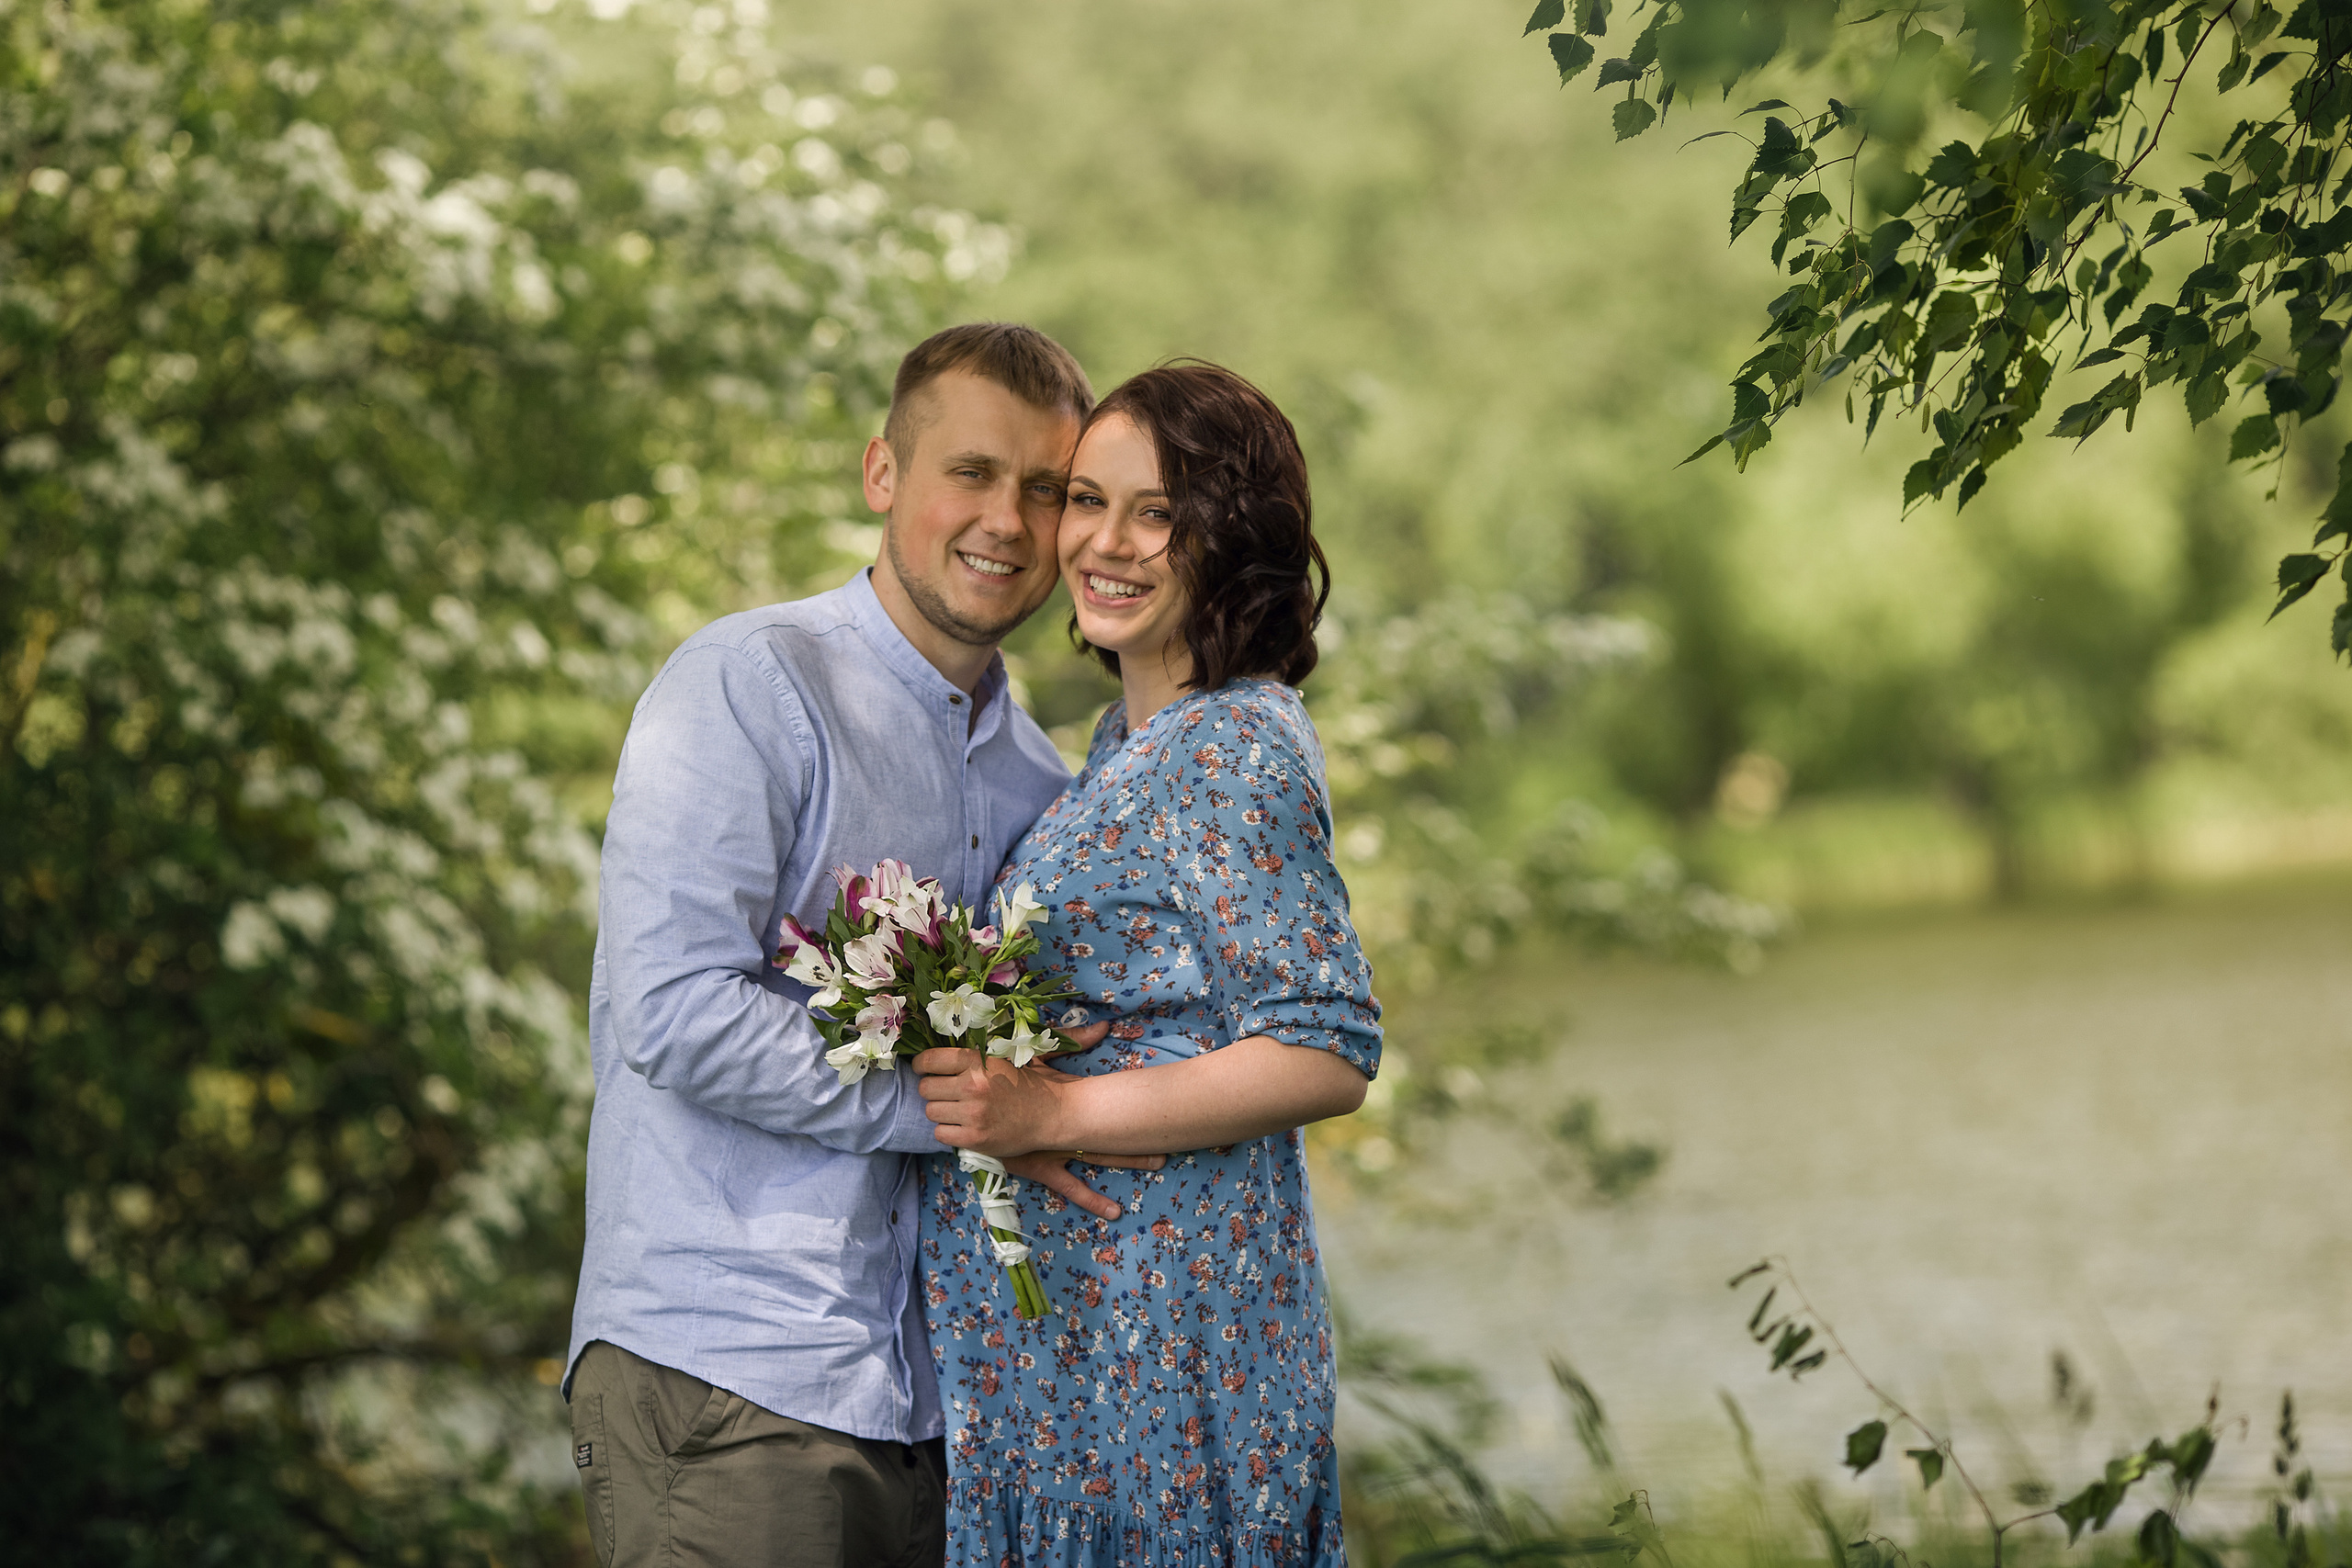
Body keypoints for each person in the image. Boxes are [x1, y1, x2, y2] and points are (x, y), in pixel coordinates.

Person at [564, 322, 1159, 1568]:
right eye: (971, 472)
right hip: (731, 1375)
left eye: (1045, 490)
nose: (1006, 518)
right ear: (883, 474)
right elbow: (668, 1011)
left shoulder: (1038, 783)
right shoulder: (748, 687)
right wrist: (950, 1109)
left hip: (938, 1411)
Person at [914, 363, 1383, 1568]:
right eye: (1086, 501)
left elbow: (1325, 1045)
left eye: (1157, 513)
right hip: (1086, 1368)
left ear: (1233, 538)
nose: (1103, 543)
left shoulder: (1235, 748)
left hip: (1164, 1359)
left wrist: (1055, 1107)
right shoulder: (1135, 741)